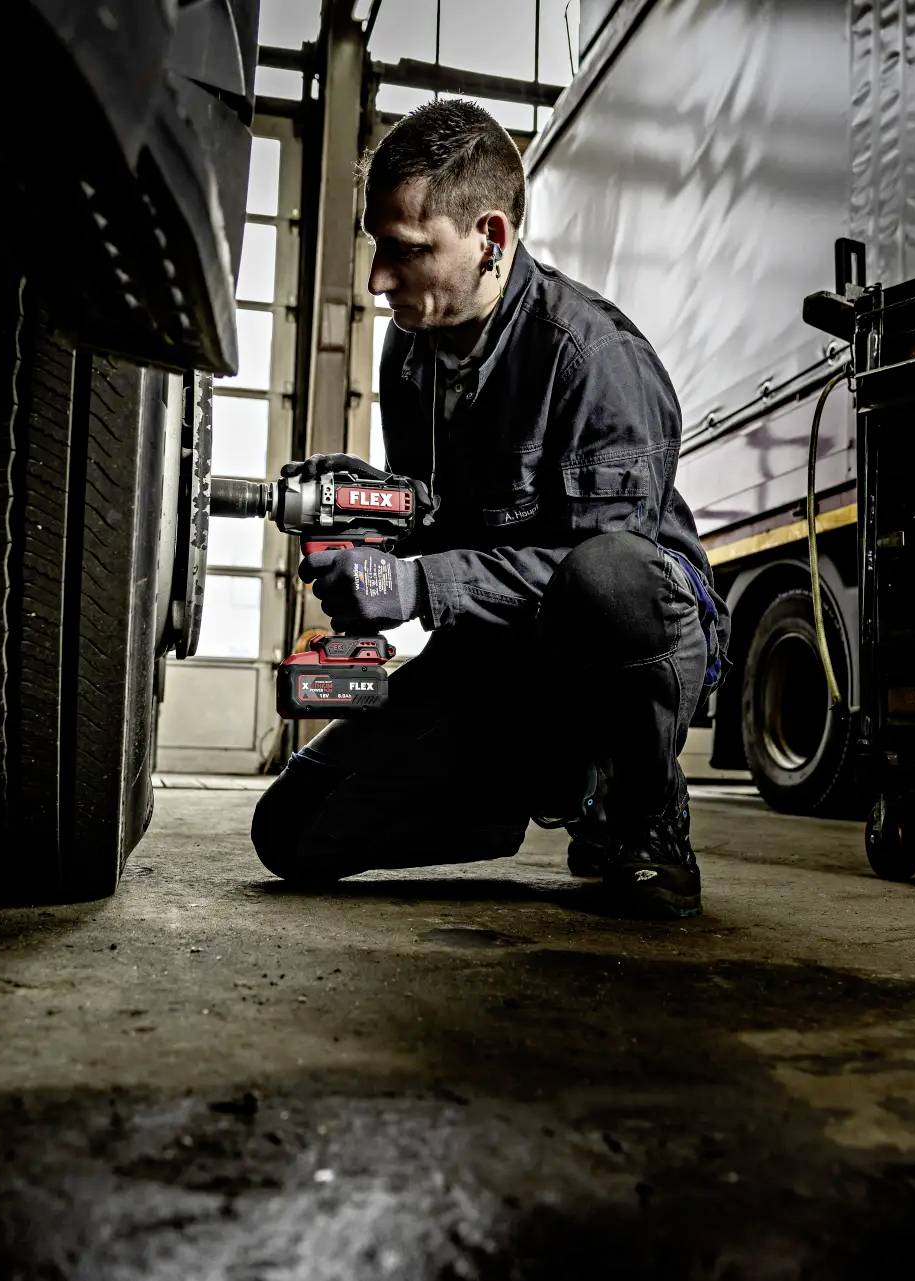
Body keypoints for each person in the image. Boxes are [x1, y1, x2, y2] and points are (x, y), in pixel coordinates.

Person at [251, 99, 723, 919]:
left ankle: (645, 811)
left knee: (609, 582)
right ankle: (556, 783)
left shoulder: (594, 359)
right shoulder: (412, 352)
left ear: (491, 240)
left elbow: (601, 567)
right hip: (497, 656)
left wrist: (418, 586)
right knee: (291, 832)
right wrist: (381, 516)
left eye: (406, 252)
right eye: (376, 248)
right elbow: (443, 518)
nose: (377, 281)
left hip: (623, 647)